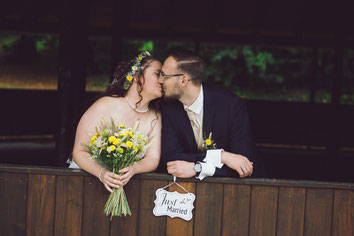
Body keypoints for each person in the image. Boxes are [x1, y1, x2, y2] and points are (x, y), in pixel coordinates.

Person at [159, 48, 263, 180]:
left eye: (165, 76)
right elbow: (172, 158)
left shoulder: (230, 105)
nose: (161, 81)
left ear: (183, 80)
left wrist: (198, 168)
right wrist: (221, 156)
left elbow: (244, 165)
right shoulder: (168, 108)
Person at [71, 51, 164, 193]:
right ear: (137, 77)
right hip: (88, 182)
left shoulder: (156, 117)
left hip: (129, 187)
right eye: (158, 74)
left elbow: (153, 159)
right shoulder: (105, 105)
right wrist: (102, 173)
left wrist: (134, 168)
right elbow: (79, 151)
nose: (163, 80)